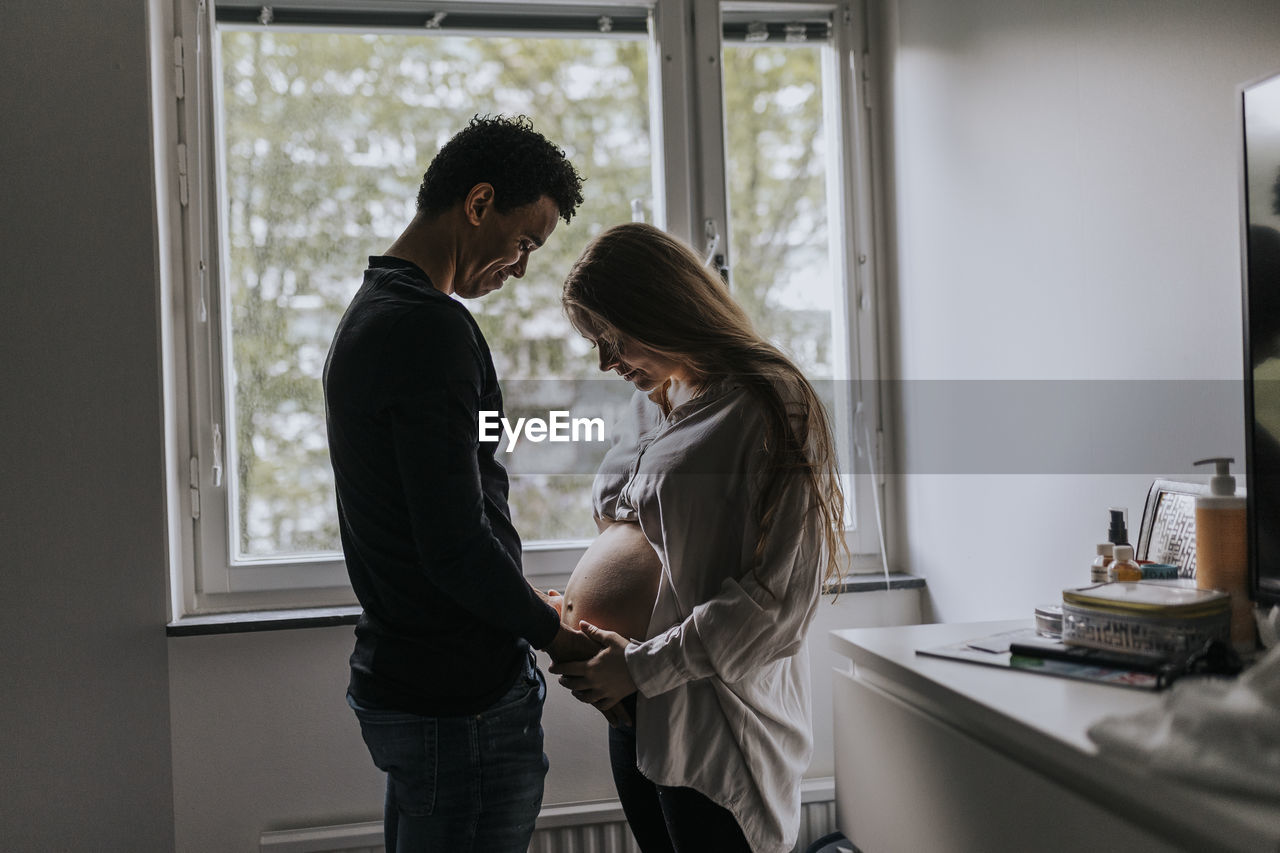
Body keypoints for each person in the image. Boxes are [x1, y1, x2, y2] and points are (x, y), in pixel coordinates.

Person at [322, 115, 596, 853]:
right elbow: (451, 542)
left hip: (417, 682)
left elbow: (448, 504)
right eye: (525, 241)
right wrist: (554, 636)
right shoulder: (428, 330)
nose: (522, 266)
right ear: (478, 205)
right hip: (460, 704)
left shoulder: (373, 313)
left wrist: (515, 595)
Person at [549, 222, 847, 853]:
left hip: (712, 716)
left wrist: (640, 665)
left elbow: (780, 604)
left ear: (662, 307)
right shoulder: (652, 397)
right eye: (594, 342)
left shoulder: (773, 402)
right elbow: (653, 542)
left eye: (613, 336)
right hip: (632, 706)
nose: (606, 361)